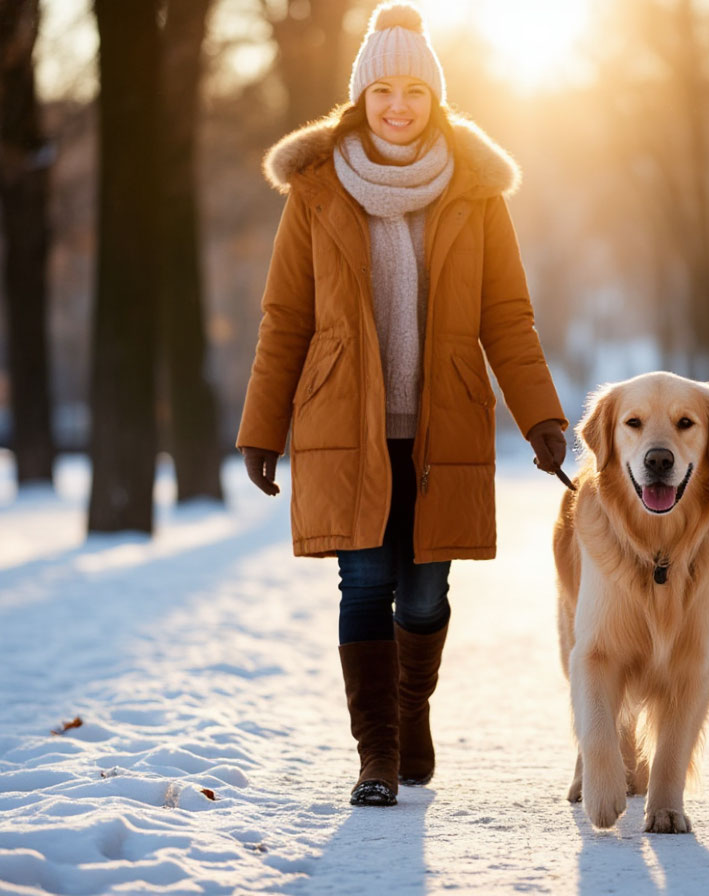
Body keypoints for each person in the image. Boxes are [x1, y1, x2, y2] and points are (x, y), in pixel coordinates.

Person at [235, 2, 568, 808]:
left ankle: (411, 711)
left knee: (425, 595)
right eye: (381, 89)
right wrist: (261, 428)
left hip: (441, 422)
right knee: (362, 586)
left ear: (434, 99)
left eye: (412, 91)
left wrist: (541, 417)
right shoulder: (314, 190)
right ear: (361, 96)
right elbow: (286, 317)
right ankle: (376, 755)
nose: (397, 105)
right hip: (342, 425)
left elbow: (506, 316)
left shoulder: (476, 192)